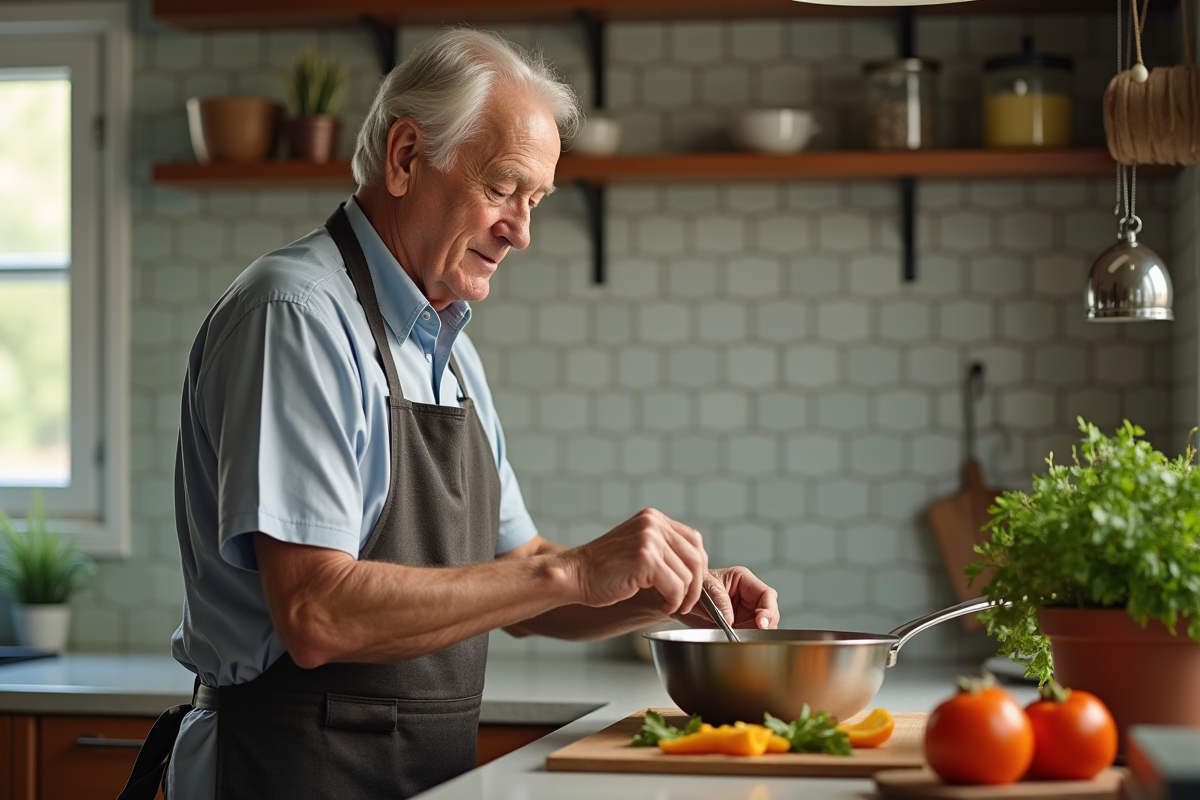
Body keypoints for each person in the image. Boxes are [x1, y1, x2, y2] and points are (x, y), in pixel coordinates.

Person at [119, 28, 779, 800]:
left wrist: (666, 591)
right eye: (503, 188)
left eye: (535, 201)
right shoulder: (296, 316)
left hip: (424, 778)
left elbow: (519, 585)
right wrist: (569, 568)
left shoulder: (451, 352)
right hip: (282, 770)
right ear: (405, 158)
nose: (523, 231)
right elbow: (315, 611)